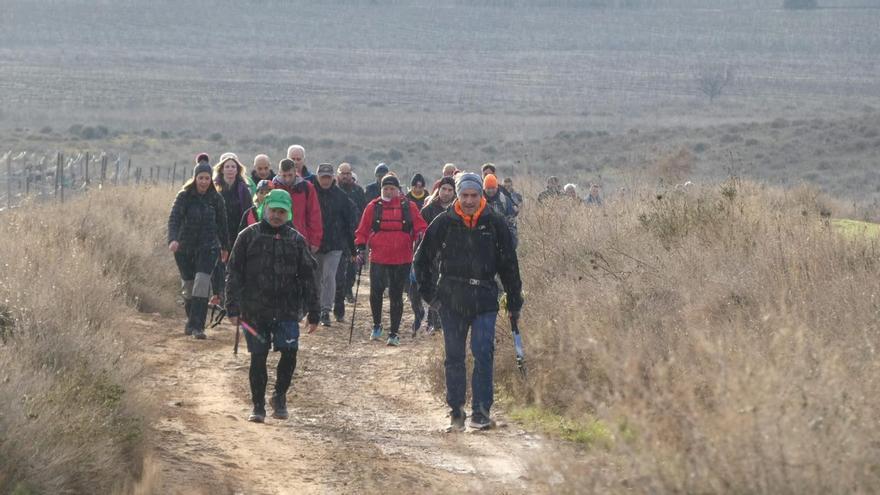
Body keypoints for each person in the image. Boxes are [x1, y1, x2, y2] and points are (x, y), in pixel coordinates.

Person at [413, 173, 523, 431]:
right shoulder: (444, 222)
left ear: (481, 195)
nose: (469, 201)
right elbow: (421, 260)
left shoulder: (495, 222)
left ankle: (481, 413)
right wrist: (431, 296)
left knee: (483, 353)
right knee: (454, 356)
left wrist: (514, 302)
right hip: (451, 299)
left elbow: (509, 265)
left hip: (485, 297)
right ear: (458, 195)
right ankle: (456, 413)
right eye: (465, 195)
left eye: (474, 195)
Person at [225, 189, 319, 423]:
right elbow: (233, 273)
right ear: (264, 209)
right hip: (254, 309)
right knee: (258, 356)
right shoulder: (247, 236)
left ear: (288, 213)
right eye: (273, 210)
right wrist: (232, 306)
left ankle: (279, 395)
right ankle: (258, 406)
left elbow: (309, 278)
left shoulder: (296, 240)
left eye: (281, 212)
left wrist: (314, 311)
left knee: (290, 353)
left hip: (288, 309)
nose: (277, 215)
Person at [354, 174, 427, 346]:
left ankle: (394, 333)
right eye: (385, 188)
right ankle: (377, 325)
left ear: (398, 190)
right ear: (381, 189)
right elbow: (362, 229)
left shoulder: (409, 206)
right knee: (375, 293)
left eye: (392, 188)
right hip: (378, 257)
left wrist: (421, 236)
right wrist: (360, 246)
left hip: (402, 258)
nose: (388, 191)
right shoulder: (373, 207)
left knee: (396, 295)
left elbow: (421, 227)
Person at [167, 159, 230, 340]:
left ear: (211, 179)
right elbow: (174, 219)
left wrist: (225, 246)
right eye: (200, 178)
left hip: (208, 248)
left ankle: (198, 326)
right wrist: (173, 239)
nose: (203, 181)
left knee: (201, 284)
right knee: (188, 288)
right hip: (184, 249)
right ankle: (191, 321)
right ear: (195, 178)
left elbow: (222, 224)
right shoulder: (184, 196)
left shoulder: (216, 199)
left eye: (207, 178)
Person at [314, 164, 357, 326]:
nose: (325, 181)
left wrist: (352, 249)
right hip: (315, 243)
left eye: (328, 177)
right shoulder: (311, 193)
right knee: (316, 277)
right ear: (318, 177)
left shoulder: (341, 196)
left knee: (329, 276)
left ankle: (325, 310)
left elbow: (348, 223)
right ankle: (315, 308)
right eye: (322, 177)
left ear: (333, 177)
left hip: (335, 244)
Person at [212, 154, 253, 305]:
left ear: (238, 170)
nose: (230, 169)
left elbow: (248, 211)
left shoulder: (243, 189)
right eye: (227, 166)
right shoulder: (214, 187)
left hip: (238, 232)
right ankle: (218, 296)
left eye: (233, 166)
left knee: (234, 266)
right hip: (218, 233)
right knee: (218, 266)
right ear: (222, 169)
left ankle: (233, 299)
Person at [418, 176, 456, 335]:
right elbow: (420, 236)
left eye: (450, 190)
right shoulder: (428, 210)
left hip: (453, 256)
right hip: (432, 256)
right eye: (443, 189)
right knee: (434, 288)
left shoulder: (458, 210)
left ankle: (448, 321)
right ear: (438, 190)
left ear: (454, 192)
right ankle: (434, 322)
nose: (446, 193)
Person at [334, 162, 368, 322]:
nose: (346, 176)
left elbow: (363, 212)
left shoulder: (358, 191)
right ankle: (338, 300)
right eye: (343, 173)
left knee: (352, 266)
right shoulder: (334, 191)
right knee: (338, 271)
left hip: (354, 234)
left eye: (348, 173)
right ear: (338, 174)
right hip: (337, 235)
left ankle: (348, 289)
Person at [272, 158, 323, 253]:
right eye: (284, 175)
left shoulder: (307, 188)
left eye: (290, 175)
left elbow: (314, 215)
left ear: (295, 172)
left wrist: (315, 241)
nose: (287, 179)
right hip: (277, 239)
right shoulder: (273, 188)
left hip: (301, 239)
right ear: (279, 173)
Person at [483, 174, 518, 247]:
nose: (490, 190)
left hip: (502, 240)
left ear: (497, 187)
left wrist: (512, 243)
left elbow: (512, 222)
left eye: (493, 188)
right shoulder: (479, 201)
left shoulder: (505, 200)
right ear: (484, 188)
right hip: (484, 241)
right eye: (488, 188)